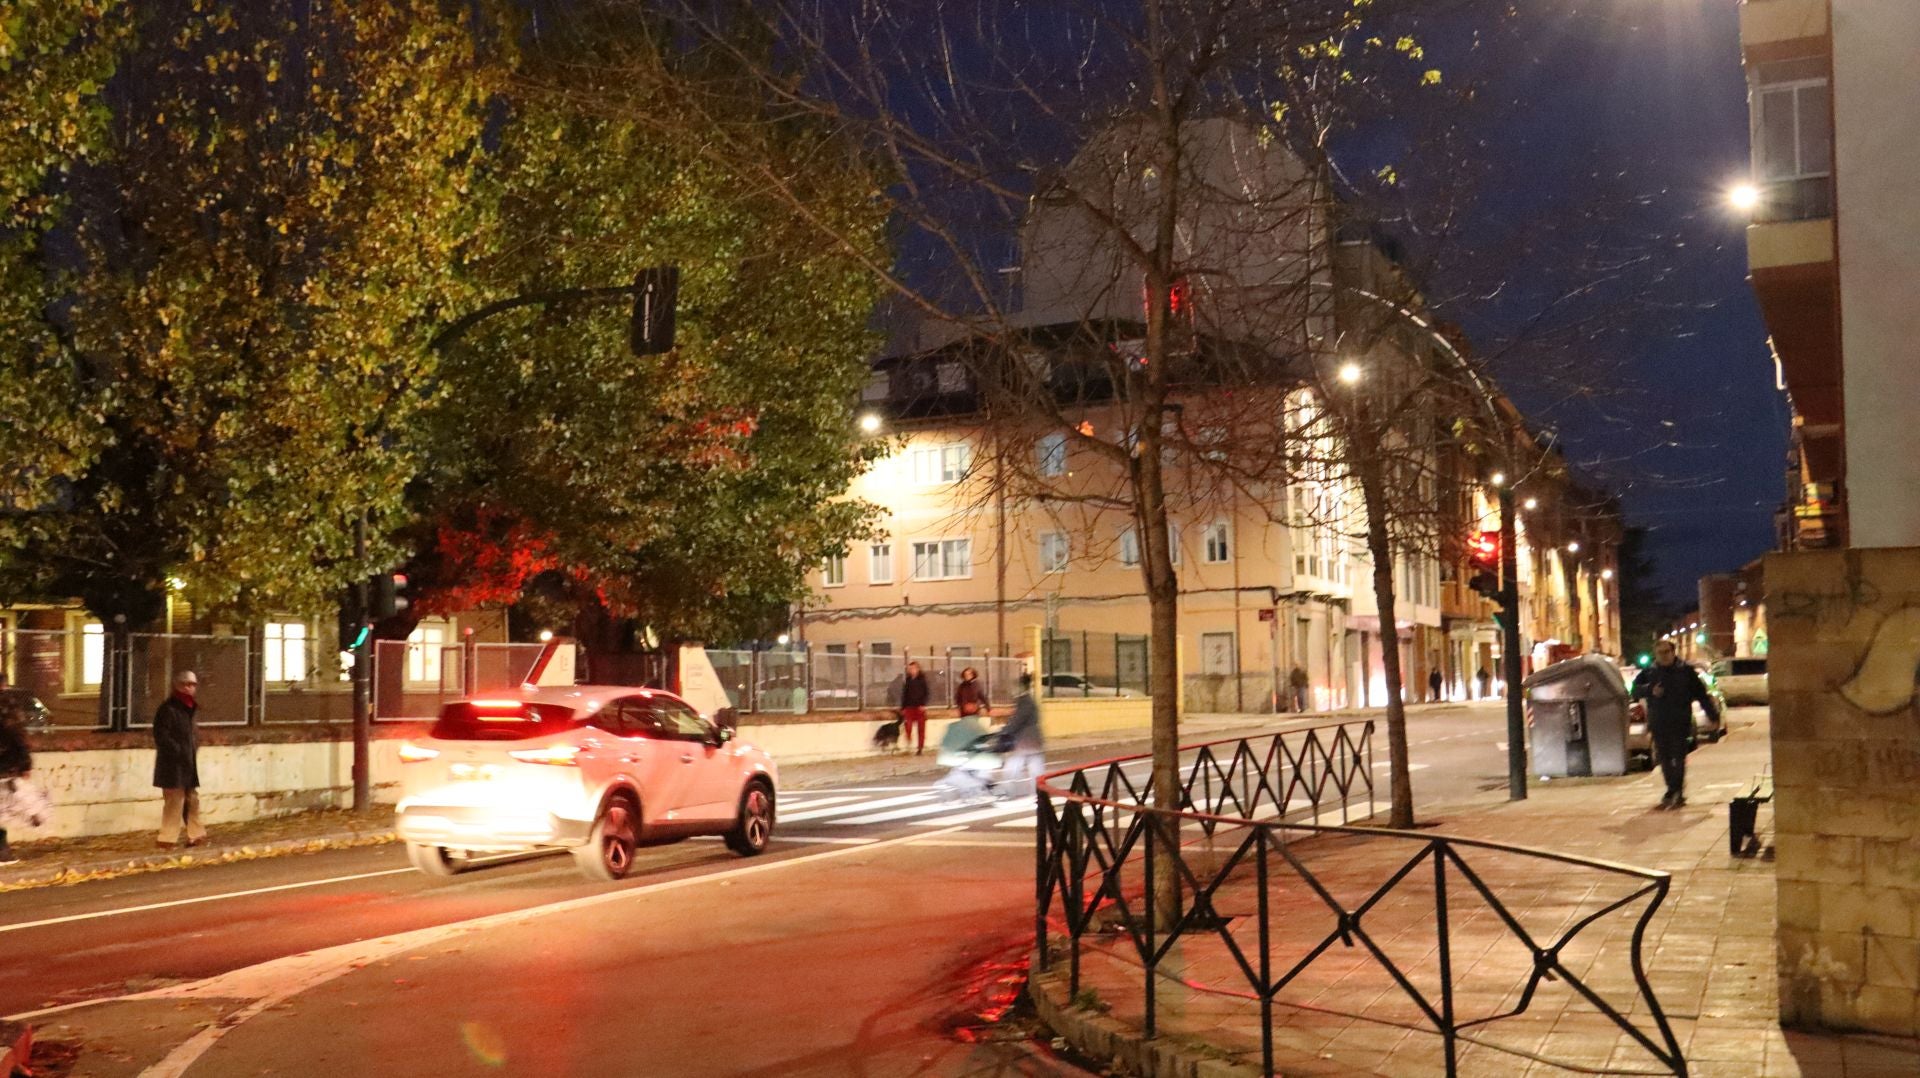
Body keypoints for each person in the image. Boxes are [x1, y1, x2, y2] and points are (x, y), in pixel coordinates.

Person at [1630, 641, 1720, 810]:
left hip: (1680, 721)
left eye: (1666, 652)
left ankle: (1676, 790)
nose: (1663, 656)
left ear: (1673, 653)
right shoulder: (1650, 672)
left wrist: (1713, 716)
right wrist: (1650, 690)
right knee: (1664, 759)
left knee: (1678, 757)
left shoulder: (1685, 671)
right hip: (1659, 722)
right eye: (1659, 653)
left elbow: (1701, 694)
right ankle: (1672, 789)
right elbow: (1634, 690)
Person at [154, 669, 208, 848]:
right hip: (172, 764)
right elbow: (162, 736)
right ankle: (167, 838)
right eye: (184, 684)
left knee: (192, 799)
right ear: (176, 686)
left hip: (188, 762)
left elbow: (193, 734)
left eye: (192, 684)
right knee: (174, 801)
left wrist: (193, 749)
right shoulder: (168, 709)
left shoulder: (191, 708)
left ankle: (196, 834)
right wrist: (178, 752)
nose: (188, 688)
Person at [998, 673, 1045, 798]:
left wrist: (1004, 731)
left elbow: (1017, 720)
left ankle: (1009, 791)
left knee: (1013, 767)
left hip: (1026, 741)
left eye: (1016, 687)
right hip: (1032, 740)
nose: (1013, 690)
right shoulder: (1028, 701)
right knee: (1035, 768)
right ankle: (1038, 793)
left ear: (1022, 687)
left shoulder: (1025, 702)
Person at [0, 699, 35, 865]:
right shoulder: (8, 710)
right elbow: (19, 740)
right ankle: (2, 852)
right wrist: (25, 765)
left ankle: (2, 851)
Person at [898, 660, 931, 755]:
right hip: (909, 706)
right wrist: (903, 707)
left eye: (913, 668)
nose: (911, 670)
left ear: (917, 669)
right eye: (910, 669)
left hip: (919, 707)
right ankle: (909, 739)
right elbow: (904, 695)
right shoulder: (908, 680)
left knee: (921, 729)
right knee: (907, 724)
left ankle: (920, 748)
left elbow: (926, 693)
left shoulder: (922, 680)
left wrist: (923, 704)